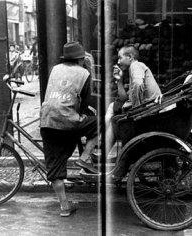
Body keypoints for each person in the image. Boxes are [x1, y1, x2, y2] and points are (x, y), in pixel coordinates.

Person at [40, 41, 98, 217]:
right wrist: (91, 68)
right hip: (68, 122)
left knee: (55, 168)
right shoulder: (84, 72)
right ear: (81, 59)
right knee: (100, 123)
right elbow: (87, 101)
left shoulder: (55, 69)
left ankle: (64, 207)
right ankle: (85, 158)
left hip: (47, 121)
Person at [93, 45, 162, 162]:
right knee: (113, 112)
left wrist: (136, 109)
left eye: (120, 58)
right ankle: (104, 150)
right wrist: (119, 80)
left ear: (130, 57)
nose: (118, 62)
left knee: (115, 120)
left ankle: (104, 151)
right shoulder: (135, 69)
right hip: (149, 109)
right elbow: (125, 98)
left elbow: (138, 84)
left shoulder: (136, 66)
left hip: (150, 112)